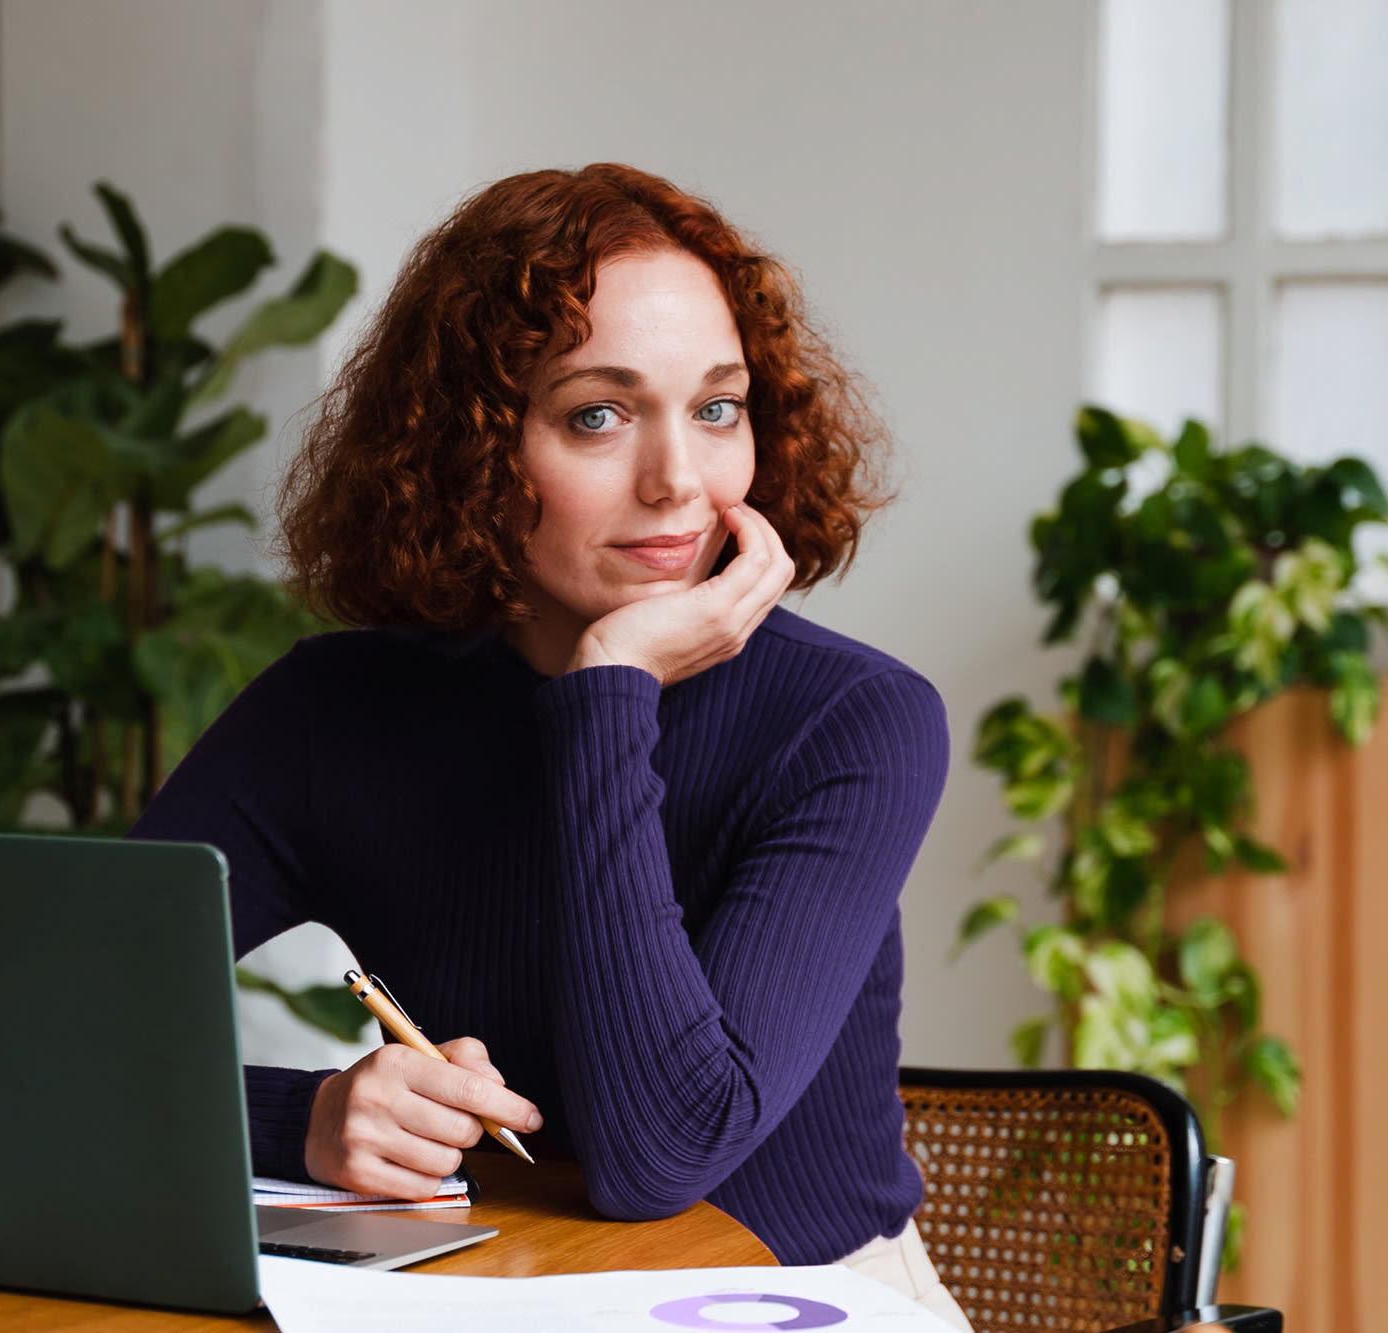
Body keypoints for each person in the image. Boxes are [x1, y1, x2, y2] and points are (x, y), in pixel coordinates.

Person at [129, 163, 966, 1327]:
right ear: (468, 448)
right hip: (487, 1292)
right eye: (598, 415)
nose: (678, 481)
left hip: (792, 1300)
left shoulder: (854, 722)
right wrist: (305, 1117)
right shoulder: (332, 709)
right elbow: (48, 1033)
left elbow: (661, 1156)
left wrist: (608, 689)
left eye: (717, 407)